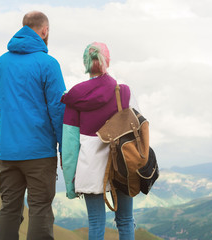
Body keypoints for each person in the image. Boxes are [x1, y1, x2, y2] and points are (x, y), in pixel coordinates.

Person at [0, 11, 66, 240]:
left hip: (8, 152)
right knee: (40, 208)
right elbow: (58, 110)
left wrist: (3, 143)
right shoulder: (48, 64)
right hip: (39, 153)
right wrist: (64, 149)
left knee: (9, 209)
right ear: (45, 31)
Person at [61, 42, 136, 240]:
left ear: (85, 63)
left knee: (95, 222)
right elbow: (137, 132)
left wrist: (70, 183)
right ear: (108, 61)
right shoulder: (124, 92)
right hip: (121, 163)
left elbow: (69, 146)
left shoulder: (73, 98)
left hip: (90, 167)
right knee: (126, 220)